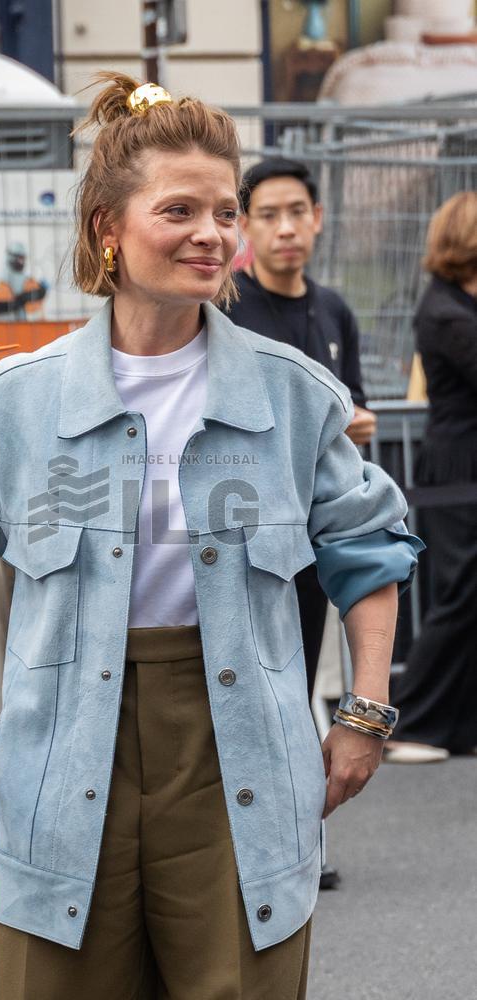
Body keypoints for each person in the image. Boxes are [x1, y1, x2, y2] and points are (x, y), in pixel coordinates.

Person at [0, 75, 423, 1000]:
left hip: (239, 756)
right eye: (179, 209)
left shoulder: (291, 394)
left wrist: (364, 712)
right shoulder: (21, 400)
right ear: (108, 225)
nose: (214, 233)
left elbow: (368, 550)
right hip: (61, 750)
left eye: (226, 211)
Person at [224, 156, 377, 703]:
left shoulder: (334, 308)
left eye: (295, 212)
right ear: (243, 224)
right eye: (267, 215)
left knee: (300, 680)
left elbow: (350, 397)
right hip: (242, 525)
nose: (285, 228)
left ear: (317, 217)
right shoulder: (225, 310)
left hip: (315, 527)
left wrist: (355, 420)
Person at [387, 192, 477, 763]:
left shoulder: (459, 306)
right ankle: (413, 719)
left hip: (463, 463)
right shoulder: (445, 312)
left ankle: (457, 724)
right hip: (458, 469)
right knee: (461, 590)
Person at [0, 241, 47, 321]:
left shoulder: (28, 281)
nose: (21, 262)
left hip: (29, 326)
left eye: (23, 259)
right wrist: (20, 300)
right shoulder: (3, 283)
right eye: (19, 258)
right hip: (7, 326)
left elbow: (40, 294)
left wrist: (29, 295)